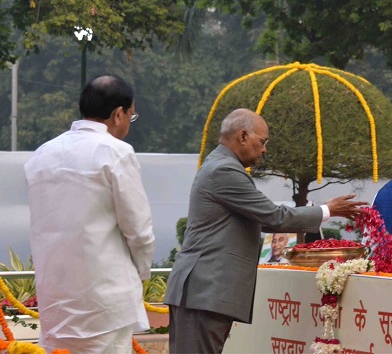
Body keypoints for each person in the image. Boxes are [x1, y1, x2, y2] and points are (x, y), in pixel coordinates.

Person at [164, 108, 368, 354]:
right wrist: (327, 210)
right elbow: (274, 216)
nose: (264, 150)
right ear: (242, 136)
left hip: (204, 293)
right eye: (262, 142)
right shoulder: (224, 171)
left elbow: (267, 220)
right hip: (204, 291)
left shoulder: (221, 166)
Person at [24, 74, 155, 353]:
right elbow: (139, 230)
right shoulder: (116, 152)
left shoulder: (41, 156)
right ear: (118, 114)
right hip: (104, 304)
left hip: (54, 303)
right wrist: (142, 273)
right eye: (131, 117)